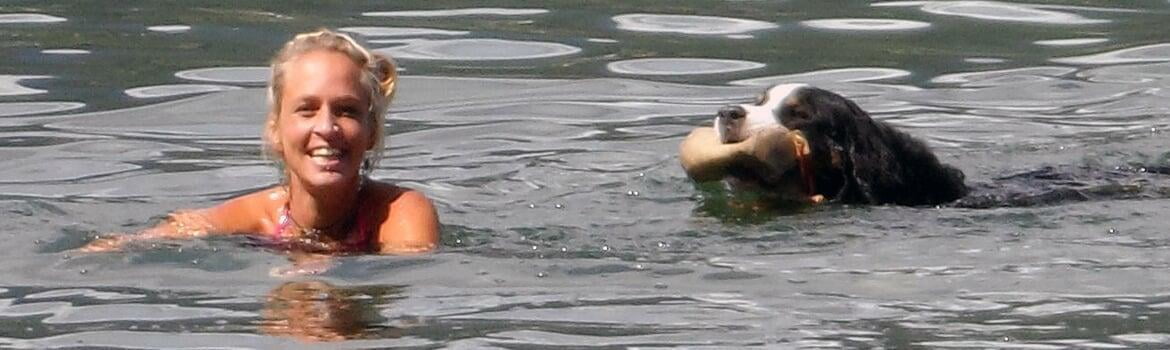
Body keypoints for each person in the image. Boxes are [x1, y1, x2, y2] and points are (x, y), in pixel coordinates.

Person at [82, 29, 439, 254]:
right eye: (307, 110)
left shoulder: (400, 213)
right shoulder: (258, 218)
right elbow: (160, 236)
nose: (327, 127)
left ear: (371, 132)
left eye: (346, 111)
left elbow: (405, 274)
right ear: (276, 132)